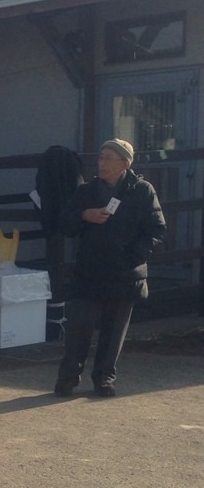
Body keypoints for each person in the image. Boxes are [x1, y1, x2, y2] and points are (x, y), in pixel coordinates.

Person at [54, 139, 166, 398]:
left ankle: (104, 379)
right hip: (89, 273)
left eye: (108, 158)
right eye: (100, 157)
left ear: (124, 164)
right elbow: (65, 223)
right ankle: (67, 379)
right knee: (78, 330)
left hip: (124, 274)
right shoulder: (87, 190)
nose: (101, 163)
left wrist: (132, 256)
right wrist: (84, 215)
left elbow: (157, 230)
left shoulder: (143, 191)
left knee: (113, 334)